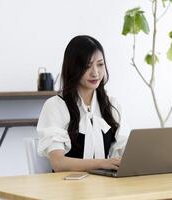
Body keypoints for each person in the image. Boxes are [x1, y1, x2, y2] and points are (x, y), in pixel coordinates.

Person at [36, 35, 129, 172]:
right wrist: (103, 163)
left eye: (100, 64)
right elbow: (58, 163)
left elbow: (125, 150)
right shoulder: (55, 106)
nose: (95, 73)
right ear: (73, 68)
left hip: (105, 187)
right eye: (87, 66)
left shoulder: (111, 104)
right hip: (66, 188)